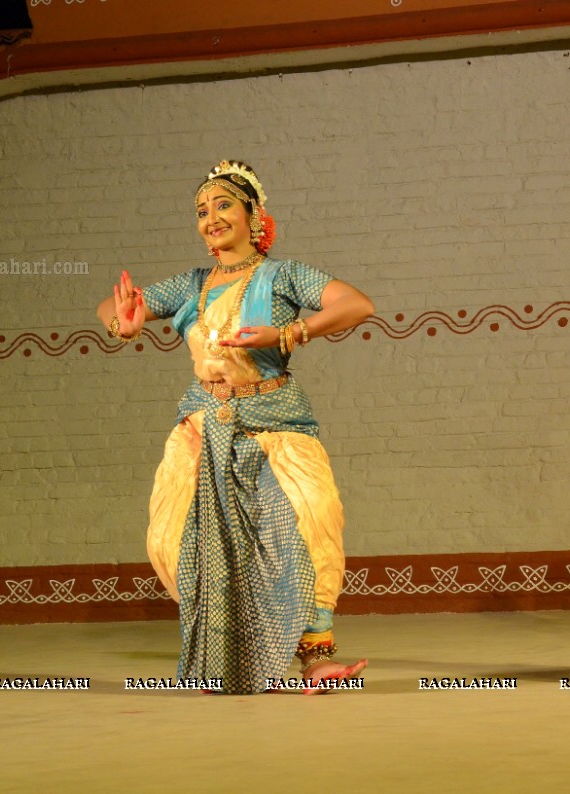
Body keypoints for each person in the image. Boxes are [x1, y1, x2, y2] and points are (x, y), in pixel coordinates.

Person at [96, 160, 374, 695]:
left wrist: (290, 333)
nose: (211, 218)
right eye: (201, 211)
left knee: (312, 516)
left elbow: (355, 304)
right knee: (174, 537)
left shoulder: (286, 276)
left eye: (223, 205)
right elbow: (115, 304)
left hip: (277, 421)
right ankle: (221, 659)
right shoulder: (192, 285)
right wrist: (121, 321)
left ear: (252, 215)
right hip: (204, 427)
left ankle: (315, 656)